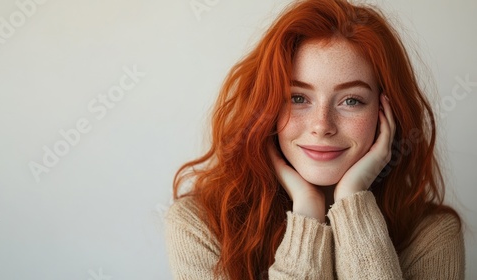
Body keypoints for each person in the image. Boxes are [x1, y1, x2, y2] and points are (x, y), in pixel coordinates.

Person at [165, 0, 465, 279]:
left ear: (386, 113)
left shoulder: (432, 236)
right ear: (265, 107)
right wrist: (307, 214)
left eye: (351, 101)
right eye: (298, 97)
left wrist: (353, 205)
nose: (322, 126)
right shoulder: (199, 226)